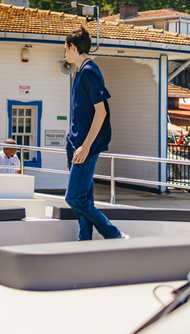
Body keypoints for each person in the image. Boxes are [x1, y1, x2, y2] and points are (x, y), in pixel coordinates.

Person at [64, 26, 124, 241]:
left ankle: (113, 233)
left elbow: (101, 112)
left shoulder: (90, 71)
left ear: (73, 47)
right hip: (75, 144)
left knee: (74, 198)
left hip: (85, 147)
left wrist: (85, 147)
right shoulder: (79, 73)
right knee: (84, 197)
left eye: (66, 50)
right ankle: (85, 242)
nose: (65, 54)